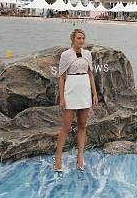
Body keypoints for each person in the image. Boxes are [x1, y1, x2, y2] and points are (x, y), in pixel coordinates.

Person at [54, 28, 99, 172]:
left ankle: (80, 156)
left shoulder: (88, 54)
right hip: (71, 90)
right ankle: (58, 157)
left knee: (82, 125)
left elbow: (91, 74)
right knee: (66, 126)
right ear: (73, 39)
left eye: (83, 38)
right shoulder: (66, 55)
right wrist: (62, 97)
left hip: (84, 90)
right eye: (79, 38)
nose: (81, 40)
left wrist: (94, 93)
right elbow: (61, 77)